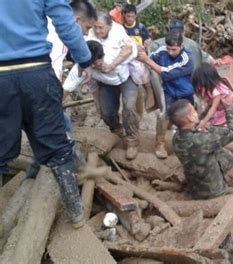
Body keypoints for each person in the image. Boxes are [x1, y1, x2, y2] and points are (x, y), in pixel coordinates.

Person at [0, 0, 93, 228]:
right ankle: (76, 212)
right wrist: (85, 59)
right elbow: (65, 21)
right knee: (57, 147)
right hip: (37, 73)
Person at [87, 12, 140, 160]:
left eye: (101, 28)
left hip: (125, 76)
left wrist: (112, 65)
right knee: (107, 112)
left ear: (110, 26)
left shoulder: (118, 31)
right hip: (105, 81)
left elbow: (128, 49)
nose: (98, 31)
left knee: (129, 107)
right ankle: (117, 131)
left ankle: (132, 140)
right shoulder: (89, 34)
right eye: (95, 27)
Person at [138, 31, 194, 159]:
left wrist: (147, 60)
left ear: (181, 46)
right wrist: (142, 52)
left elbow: (167, 73)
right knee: (164, 115)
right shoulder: (161, 51)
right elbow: (148, 59)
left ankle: (187, 144)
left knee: (187, 118)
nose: (170, 52)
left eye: (174, 49)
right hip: (169, 91)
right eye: (168, 48)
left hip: (185, 93)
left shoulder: (187, 58)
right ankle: (159, 144)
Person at [170, 99, 233, 199]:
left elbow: (195, 124)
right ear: (190, 117)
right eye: (193, 111)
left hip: (194, 190)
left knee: (209, 153)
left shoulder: (176, 138)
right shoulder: (202, 141)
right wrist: (228, 108)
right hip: (214, 191)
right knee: (226, 154)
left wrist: (208, 108)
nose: (196, 112)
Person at [193, 62, 233, 128]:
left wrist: (204, 121)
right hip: (219, 105)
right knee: (213, 119)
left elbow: (213, 108)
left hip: (228, 105)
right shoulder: (207, 88)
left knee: (220, 123)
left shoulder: (216, 90)